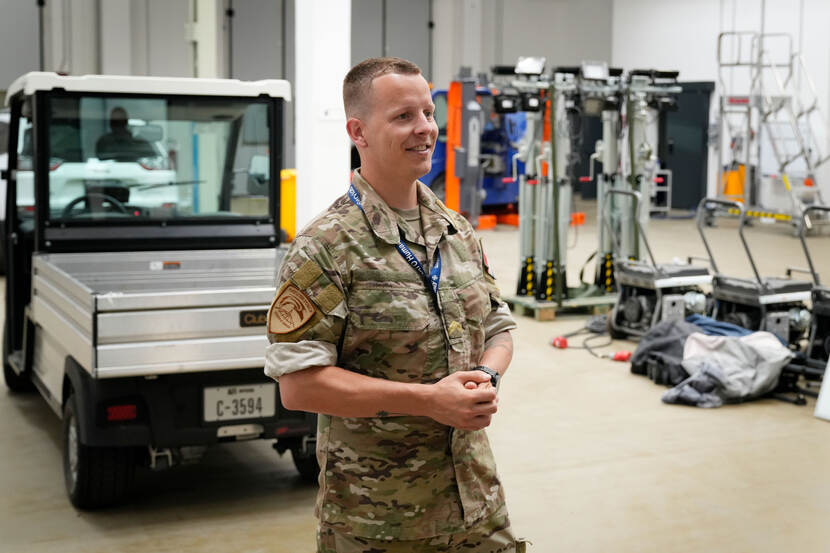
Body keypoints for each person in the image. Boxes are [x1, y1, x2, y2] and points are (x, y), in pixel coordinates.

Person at [265, 57, 525, 553]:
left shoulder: (455, 230)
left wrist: (486, 377)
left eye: (428, 113)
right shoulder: (326, 247)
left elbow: (498, 327)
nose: (425, 128)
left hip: (477, 505)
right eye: (404, 116)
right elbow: (298, 385)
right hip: (379, 522)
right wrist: (430, 401)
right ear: (358, 131)